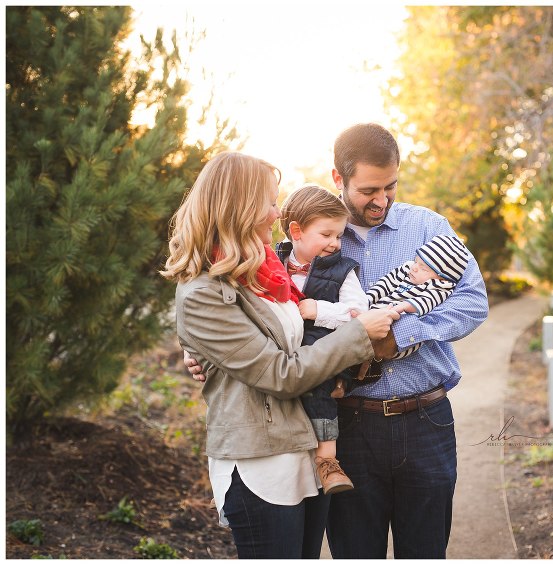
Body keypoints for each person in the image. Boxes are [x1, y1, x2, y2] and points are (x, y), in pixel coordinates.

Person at [186, 124, 489, 558]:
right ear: (338, 178)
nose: (381, 199)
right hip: (346, 425)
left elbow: (473, 302)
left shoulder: (428, 227)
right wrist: (196, 349)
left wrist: (398, 334)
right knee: (355, 552)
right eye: (369, 189)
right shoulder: (308, 235)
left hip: (425, 419)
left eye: (391, 186)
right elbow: (243, 300)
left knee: (425, 551)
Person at [161, 151, 399, 559]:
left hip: (303, 448)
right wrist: (358, 333)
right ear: (240, 207)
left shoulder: (263, 272)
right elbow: (281, 374)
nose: (276, 212)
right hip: (261, 460)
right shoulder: (203, 291)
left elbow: (289, 339)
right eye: (269, 202)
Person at [274, 183, 370, 495]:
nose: (336, 243)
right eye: (326, 234)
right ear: (296, 230)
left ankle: (328, 461)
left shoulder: (343, 270)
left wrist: (320, 310)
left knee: (318, 391)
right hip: (280, 353)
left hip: (322, 349)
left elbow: (359, 313)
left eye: (339, 235)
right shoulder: (271, 262)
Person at [365, 234, 471, 360]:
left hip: (398, 326)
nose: (415, 268)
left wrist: (404, 306)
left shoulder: (441, 286)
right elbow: (385, 284)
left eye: (423, 268)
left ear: (442, 277)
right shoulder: (408, 268)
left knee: (374, 352)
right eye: (416, 261)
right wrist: (367, 300)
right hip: (375, 314)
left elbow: (427, 301)